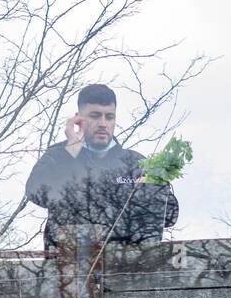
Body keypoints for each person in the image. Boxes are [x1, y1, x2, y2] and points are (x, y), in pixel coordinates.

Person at [25, 83, 179, 252]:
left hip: (126, 269)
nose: (103, 124)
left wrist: (147, 191)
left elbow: (169, 215)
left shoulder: (135, 163)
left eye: (109, 117)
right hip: (70, 268)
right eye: (95, 116)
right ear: (78, 119)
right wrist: (72, 151)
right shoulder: (59, 156)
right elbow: (35, 191)